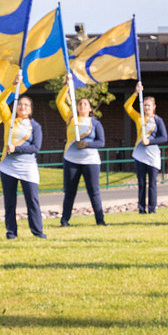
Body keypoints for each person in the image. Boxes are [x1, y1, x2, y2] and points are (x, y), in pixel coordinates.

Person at [0, 82, 46, 239]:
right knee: (10, 202)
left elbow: (35, 147)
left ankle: (37, 231)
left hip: (28, 167)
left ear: (30, 109)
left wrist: (16, 149)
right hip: (8, 167)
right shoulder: (9, 121)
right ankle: (11, 232)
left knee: (32, 201)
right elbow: (0, 102)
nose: (22, 107)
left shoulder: (35, 126)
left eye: (26, 105)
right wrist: (12, 86)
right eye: (20, 104)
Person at [56, 74, 107, 226]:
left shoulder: (95, 123)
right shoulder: (70, 118)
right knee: (70, 192)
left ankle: (100, 220)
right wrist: (67, 86)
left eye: (85, 104)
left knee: (94, 191)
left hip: (91, 161)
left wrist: (87, 145)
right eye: (80, 104)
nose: (82, 106)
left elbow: (101, 142)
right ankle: (65, 220)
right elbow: (59, 101)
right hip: (71, 159)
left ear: (90, 108)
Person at [125, 82, 168, 214]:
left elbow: (164, 138)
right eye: (144, 105)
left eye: (149, 105)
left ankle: (152, 208)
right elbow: (127, 106)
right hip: (140, 154)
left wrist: (149, 141)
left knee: (153, 184)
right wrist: (135, 93)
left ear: (154, 107)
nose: (147, 107)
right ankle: (141, 209)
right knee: (142, 183)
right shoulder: (139, 118)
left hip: (153, 155)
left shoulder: (158, 120)